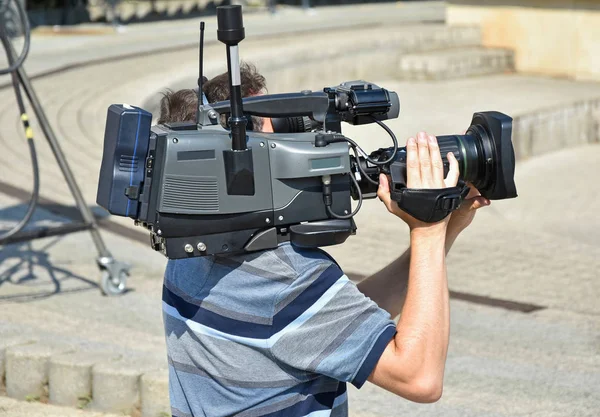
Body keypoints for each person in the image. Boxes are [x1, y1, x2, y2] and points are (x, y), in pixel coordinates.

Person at [159, 64, 490, 416]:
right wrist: (427, 229)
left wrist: (446, 230)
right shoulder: (284, 279)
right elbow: (420, 378)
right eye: (277, 137)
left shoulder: (191, 251)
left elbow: (324, 320)